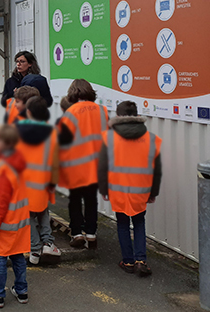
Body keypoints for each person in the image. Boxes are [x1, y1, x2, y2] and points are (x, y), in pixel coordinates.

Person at [98, 101, 162, 277]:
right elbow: (156, 169)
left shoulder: (108, 137)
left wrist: (104, 189)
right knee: (139, 222)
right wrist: (153, 192)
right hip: (141, 189)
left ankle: (128, 261)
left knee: (123, 224)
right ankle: (141, 260)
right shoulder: (151, 138)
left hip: (118, 189)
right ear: (136, 116)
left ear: (118, 117)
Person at [57, 79, 108, 249]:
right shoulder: (103, 111)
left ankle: (77, 233)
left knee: (75, 199)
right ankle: (92, 234)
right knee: (91, 199)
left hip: (76, 164)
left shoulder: (70, 112)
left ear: (73, 92)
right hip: (96, 164)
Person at [0, 125, 30, 308]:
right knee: (18, 258)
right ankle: (21, 291)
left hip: (4, 226)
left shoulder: (3, 169)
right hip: (19, 224)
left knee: (0, 260)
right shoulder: (18, 162)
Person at [16, 96, 61, 265]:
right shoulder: (52, 132)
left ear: (28, 112)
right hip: (43, 180)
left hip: (23, 182)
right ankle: (48, 243)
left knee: (28, 216)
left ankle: (35, 251)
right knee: (43, 210)